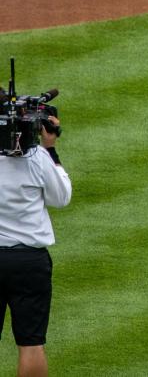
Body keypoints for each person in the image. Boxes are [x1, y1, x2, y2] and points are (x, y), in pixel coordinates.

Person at [0, 111, 70, 377]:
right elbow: (61, 198)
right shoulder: (36, 157)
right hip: (28, 263)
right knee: (31, 343)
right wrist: (49, 149)